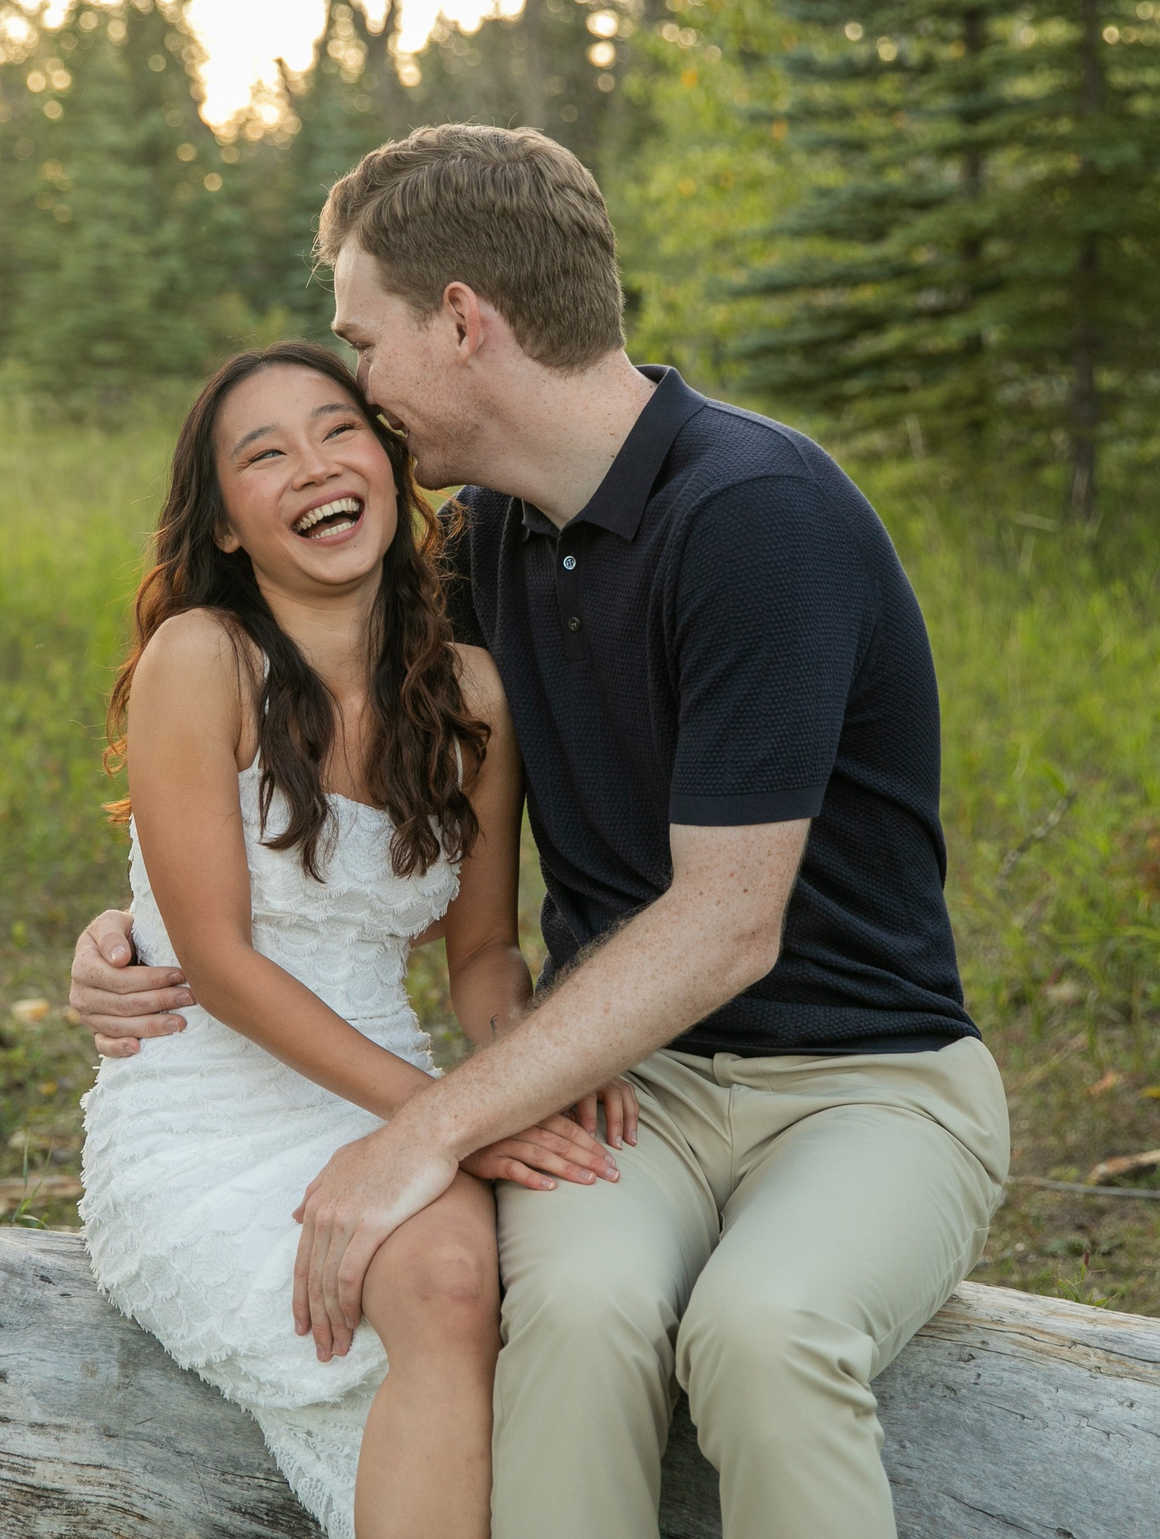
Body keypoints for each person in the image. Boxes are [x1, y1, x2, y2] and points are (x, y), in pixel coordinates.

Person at [72, 125, 1011, 1539]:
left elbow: (727, 921)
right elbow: (320, 757)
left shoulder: (754, 516)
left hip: (864, 1075)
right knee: (566, 1310)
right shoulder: (484, 543)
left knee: (761, 1331)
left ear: (461, 322)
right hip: (627, 1079)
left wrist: (434, 1125)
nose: (362, 394)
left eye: (363, 345)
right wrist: (127, 932)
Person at [77, 339, 639, 1539]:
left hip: (384, 1090)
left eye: (338, 432)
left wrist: (529, 1066)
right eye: (264, 455)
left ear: (389, 465)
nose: (314, 467)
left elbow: (480, 956)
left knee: (465, 1283)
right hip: (204, 1117)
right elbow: (220, 965)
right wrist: (453, 1122)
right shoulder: (201, 659)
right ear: (224, 526)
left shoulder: (475, 696)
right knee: (445, 1287)